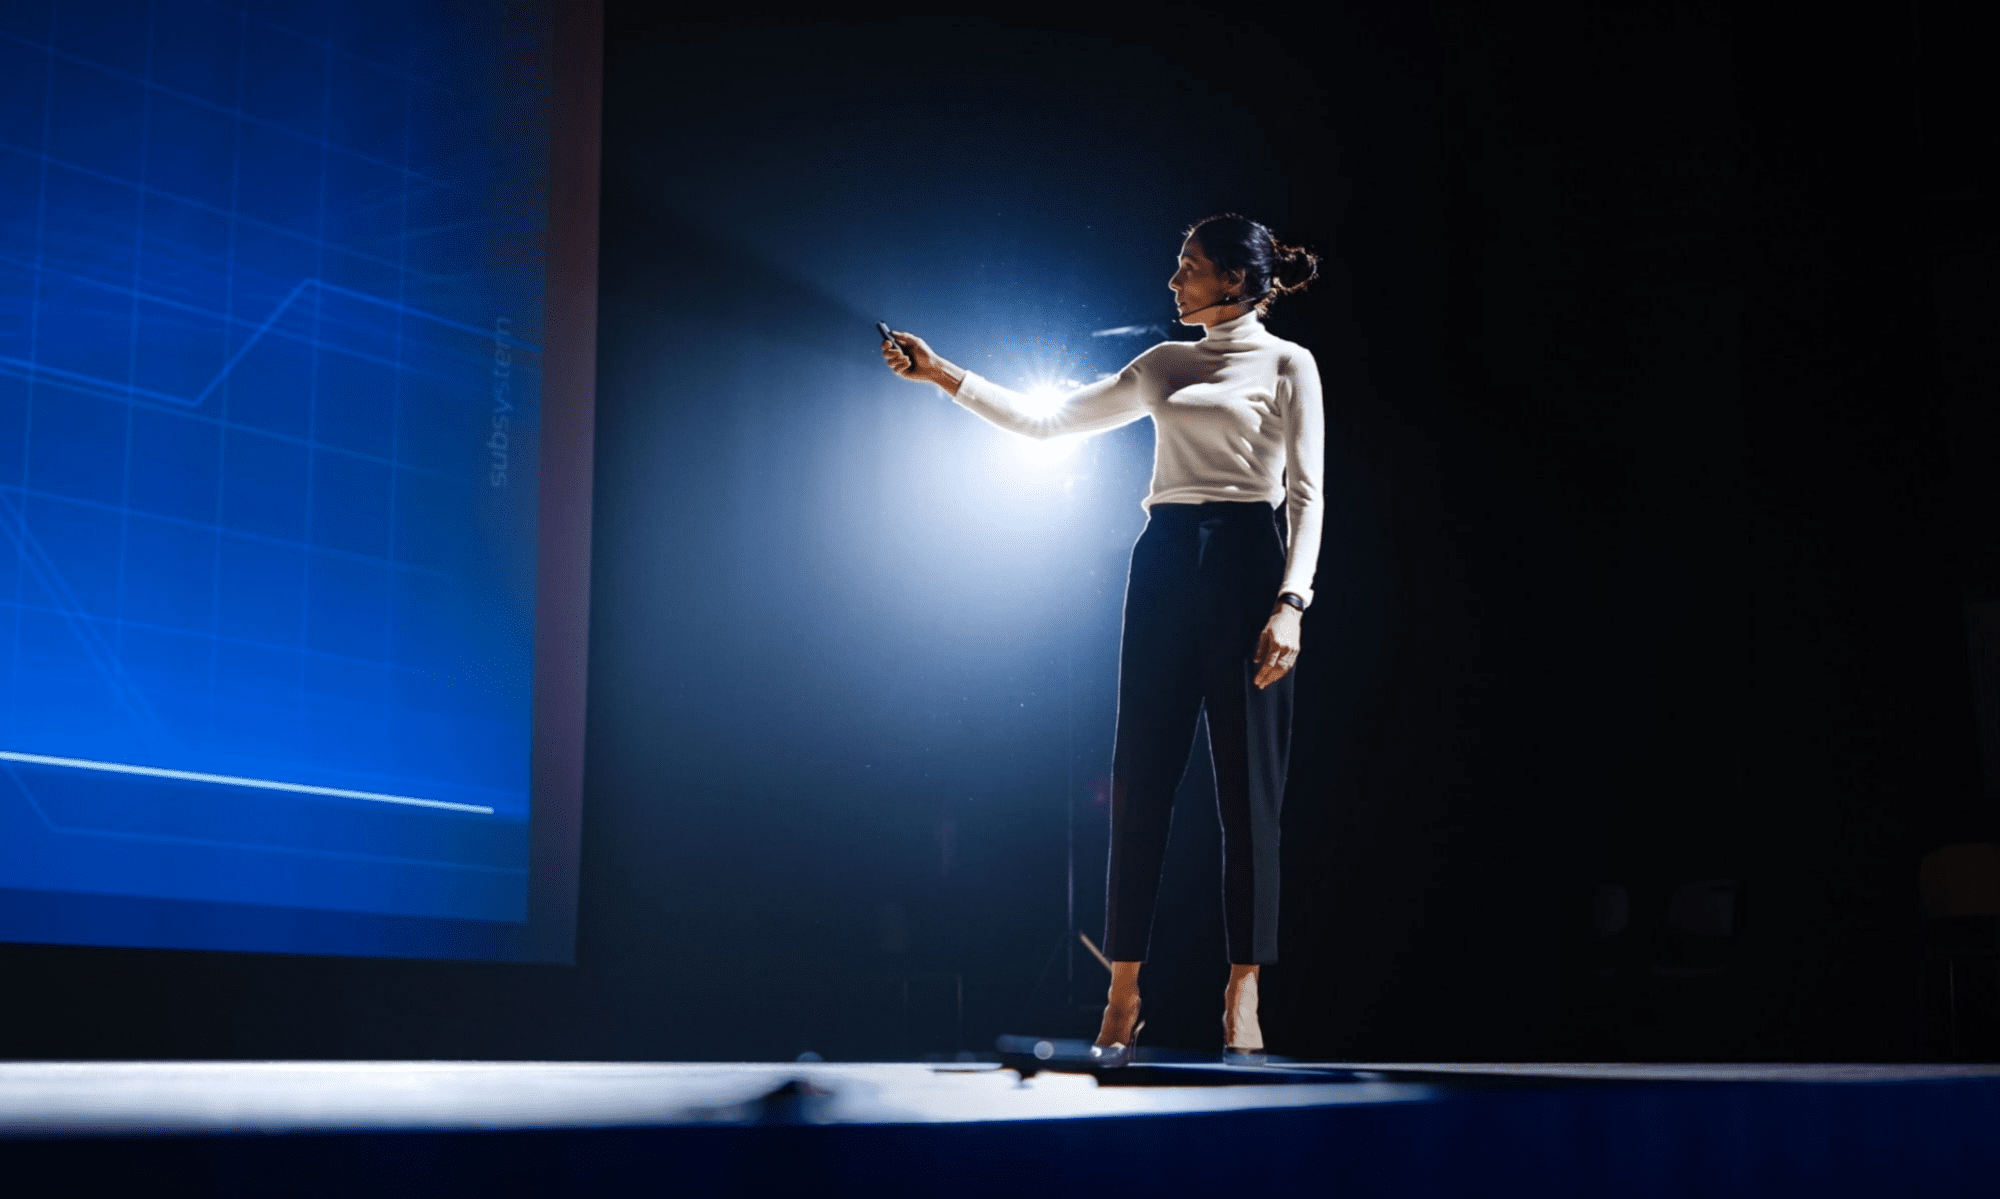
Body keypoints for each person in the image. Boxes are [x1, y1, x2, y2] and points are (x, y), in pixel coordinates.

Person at [881, 214, 1323, 1065]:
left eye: (1188, 269)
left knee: (1248, 792)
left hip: (1247, 562)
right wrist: (943, 375)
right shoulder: (1164, 363)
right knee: (1139, 781)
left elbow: (1307, 494)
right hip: (1163, 560)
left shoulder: (1288, 364)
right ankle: (1124, 991)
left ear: (1233, 281)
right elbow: (1052, 424)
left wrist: (1291, 602)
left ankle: (1244, 990)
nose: (1172, 282)